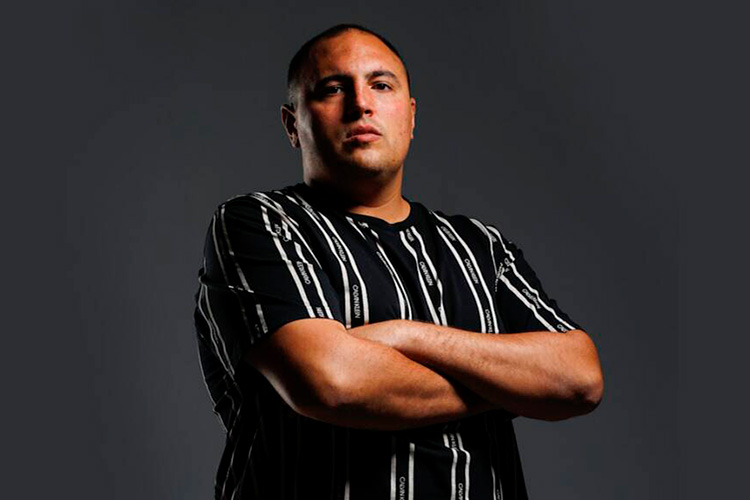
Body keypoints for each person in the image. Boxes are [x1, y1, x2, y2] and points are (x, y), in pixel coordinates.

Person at [194, 23, 603, 500]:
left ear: (410, 116)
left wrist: (405, 334)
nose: (360, 104)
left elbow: (579, 379)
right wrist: (508, 387)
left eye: (381, 85)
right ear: (292, 125)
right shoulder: (260, 223)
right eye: (332, 89)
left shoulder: (479, 247)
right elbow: (332, 383)